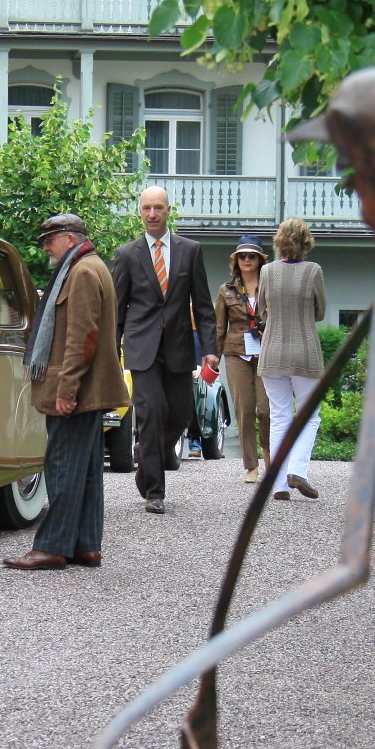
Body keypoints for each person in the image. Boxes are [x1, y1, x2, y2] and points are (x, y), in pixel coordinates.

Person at [3, 214, 129, 570]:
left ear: (70, 239)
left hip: (77, 390)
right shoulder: (89, 266)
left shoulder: (82, 272)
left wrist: (67, 389)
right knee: (85, 469)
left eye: (50, 240)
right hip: (89, 389)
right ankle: (86, 545)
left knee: (62, 467)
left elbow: (82, 337)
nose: (46, 247)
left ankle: (52, 547)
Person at [112, 186, 217, 514]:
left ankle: (146, 454)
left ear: (169, 210)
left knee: (181, 414)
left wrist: (210, 349)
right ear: (140, 212)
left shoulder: (191, 251)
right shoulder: (127, 255)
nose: (152, 214)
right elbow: (116, 309)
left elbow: (203, 304)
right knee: (151, 412)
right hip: (142, 348)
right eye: (147, 208)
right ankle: (154, 491)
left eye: (158, 207)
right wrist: (111, 353)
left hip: (179, 347)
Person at [258, 218, 327, 502]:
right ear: (306, 242)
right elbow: (320, 311)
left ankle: (278, 484)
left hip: (272, 351)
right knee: (309, 415)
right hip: (305, 352)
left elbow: (261, 308)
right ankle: (297, 470)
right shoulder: (313, 271)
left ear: (279, 241)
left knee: (279, 417)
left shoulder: (267, 271)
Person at [214, 234, 271, 483]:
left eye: (252, 256)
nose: (247, 260)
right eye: (242, 256)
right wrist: (213, 359)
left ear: (260, 260)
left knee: (265, 410)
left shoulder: (271, 287)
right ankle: (251, 466)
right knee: (245, 410)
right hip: (236, 353)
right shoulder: (226, 290)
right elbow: (219, 327)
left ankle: (269, 457)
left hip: (267, 352)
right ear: (236, 260)